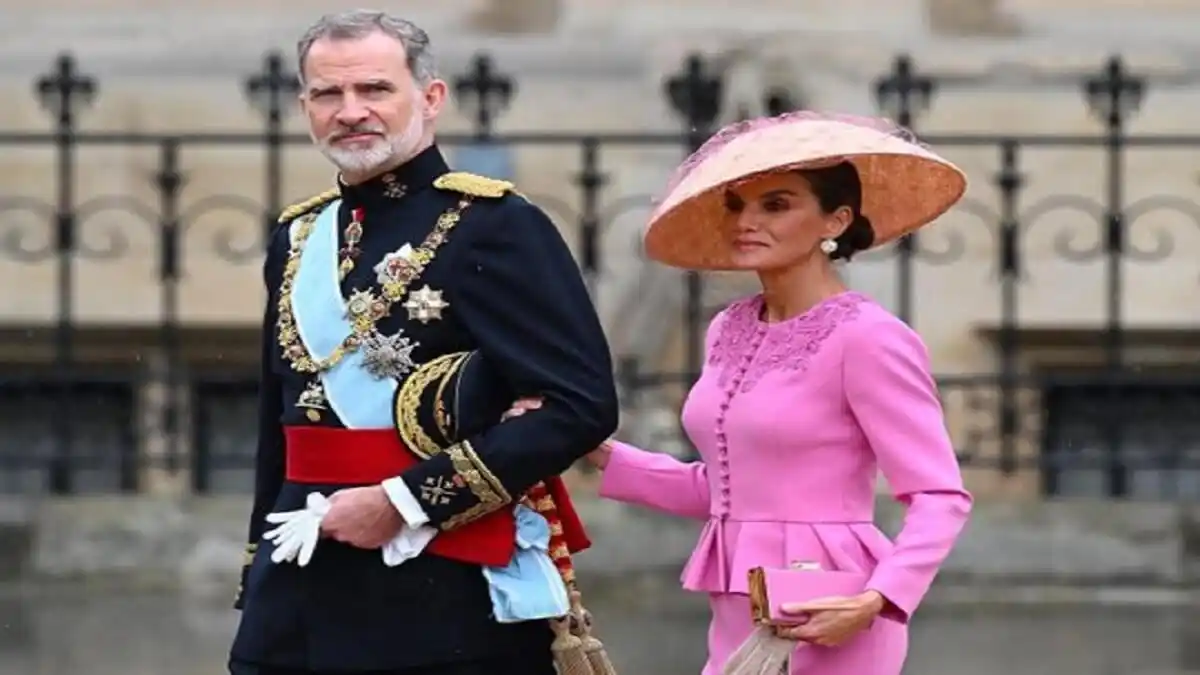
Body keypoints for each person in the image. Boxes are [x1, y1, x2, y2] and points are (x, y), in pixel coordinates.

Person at [510, 112, 973, 675]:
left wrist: (879, 599)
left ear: (837, 219)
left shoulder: (869, 337)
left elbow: (939, 496)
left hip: (833, 612)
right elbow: (728, 487)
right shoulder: (728, 328)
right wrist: (595, 450)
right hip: (738, 612)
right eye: (737, 205)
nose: (746, 221)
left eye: (776, 204)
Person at [228, 9, 619, 675]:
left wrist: (403, 501)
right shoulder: (297, 238)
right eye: (328, 94)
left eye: (375, 89)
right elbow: (281, 421)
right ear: (305, 107)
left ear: (430, 98)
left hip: (439, 594)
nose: (350, 111)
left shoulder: (496, 227)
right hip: (299, 588)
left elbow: (578, 405)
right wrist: (260, 560)